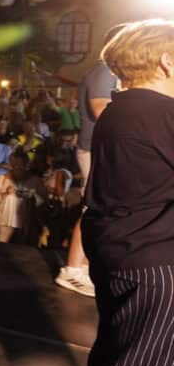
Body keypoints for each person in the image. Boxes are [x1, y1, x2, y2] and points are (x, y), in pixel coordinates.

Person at [80, 19, 174, 366]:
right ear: (167, 61)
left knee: (125, 364)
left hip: (123, 255)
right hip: (158, 264)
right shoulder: (161, 113)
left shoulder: (120, 111)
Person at [56, 24, 127, 297]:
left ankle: (84, 265)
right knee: (93, 207)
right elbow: (100, 109)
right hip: (93, 149)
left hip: (101, 148)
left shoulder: (112, 72)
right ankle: (72, 270)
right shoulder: (105, 71)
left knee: (101, 207)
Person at [0, 150, 43, 243]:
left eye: (20, 165)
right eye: (14, 165)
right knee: (2, 245)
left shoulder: (35, 181)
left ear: (26, 164)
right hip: (4, 220)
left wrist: (31, 196)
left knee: (21, 247)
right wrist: (5, 193)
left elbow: (42, 200)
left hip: (26, 222)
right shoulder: (1, 179)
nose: (17, 168)